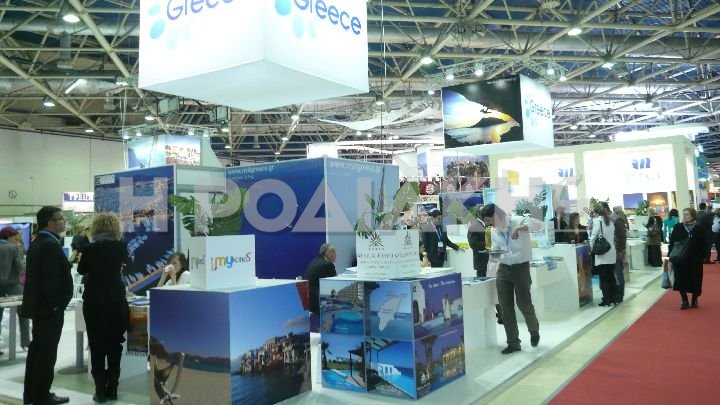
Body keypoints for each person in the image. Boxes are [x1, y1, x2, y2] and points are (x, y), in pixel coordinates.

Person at [21, 206, 72, 405]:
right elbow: (50, 280)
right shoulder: (49, 245)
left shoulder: (39, 242)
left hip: (42, 308)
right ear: (50, 222)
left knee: (38, 351)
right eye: (60, 218)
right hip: (49, 310)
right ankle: (42, 396)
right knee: (46, 353)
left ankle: (32, 394)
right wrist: (56, 305)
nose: (63, 222)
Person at [77, 213, 131, 402]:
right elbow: (128, 264)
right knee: (115, 344)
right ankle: (113, 389)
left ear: (96, 228)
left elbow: (81, 270)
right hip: (116, 301)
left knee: (96, 345)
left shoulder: (88, 249)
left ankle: (100, 391)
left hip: (93, 302)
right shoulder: (121, 247)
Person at [480, 203, 541, 354]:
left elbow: (539, 225)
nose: (489, 223)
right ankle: (513, 343)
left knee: (524, 303)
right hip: (503, 269)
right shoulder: (494, 230)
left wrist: (520, 228)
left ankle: (534, 330)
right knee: (505, 308)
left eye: (489, 220)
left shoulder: (517, 220)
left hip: (521, 267)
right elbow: (495, 251)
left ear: (496, 216)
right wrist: (491, 269)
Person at [669, 208, 707, 309]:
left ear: (693, 216)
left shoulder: (699, 228)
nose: (685, 216)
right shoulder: (678, 227)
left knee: (696, 279)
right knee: (680, 279)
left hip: (695, 259)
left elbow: (704, 244)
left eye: (687, 214)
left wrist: (701, 256)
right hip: (680, 259)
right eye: (684, 214)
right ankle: (684, 300)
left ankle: (694, 300)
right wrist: (671, 256)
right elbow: (672, 242)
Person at [0, 226, 31, 353]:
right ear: (8, 237)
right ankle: (25, 343)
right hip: (13, 284)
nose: (16, 240)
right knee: (23, 313)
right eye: (15, 237)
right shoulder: (13, 248)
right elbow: (20, 268)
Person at [590, 204, 617, 306]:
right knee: (611, 276)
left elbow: (593, 237)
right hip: (611, 251)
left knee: (604, 278)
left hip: (603, 253)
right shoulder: (610, 221)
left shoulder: (598, 222)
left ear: (597, 213)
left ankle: (606, 300)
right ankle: (613, 298)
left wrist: (591, 248)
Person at [303, 243, 337, 315]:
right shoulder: (328, 264)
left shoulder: (315, 260)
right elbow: (335, 282)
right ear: (328, 254)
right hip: (317, 301)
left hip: (309, 299)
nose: (336, 255)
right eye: (334, 252)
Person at [612, 206, 629, 303]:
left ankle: (619, 295)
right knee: (618, 273)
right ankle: (618, 294)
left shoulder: (618, 222)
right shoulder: (620, 221)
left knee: (618, 273)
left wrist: (620, 251)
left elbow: (622, 238)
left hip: (618, 252)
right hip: (618, 251)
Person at [467, 205, 489, 277]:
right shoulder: (474, 226)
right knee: (482, 280)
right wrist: (488, 243)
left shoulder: (486, 224)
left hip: (487, 260)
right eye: (484, 211)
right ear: (479, 213)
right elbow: (473, 244)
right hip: (481, 261)